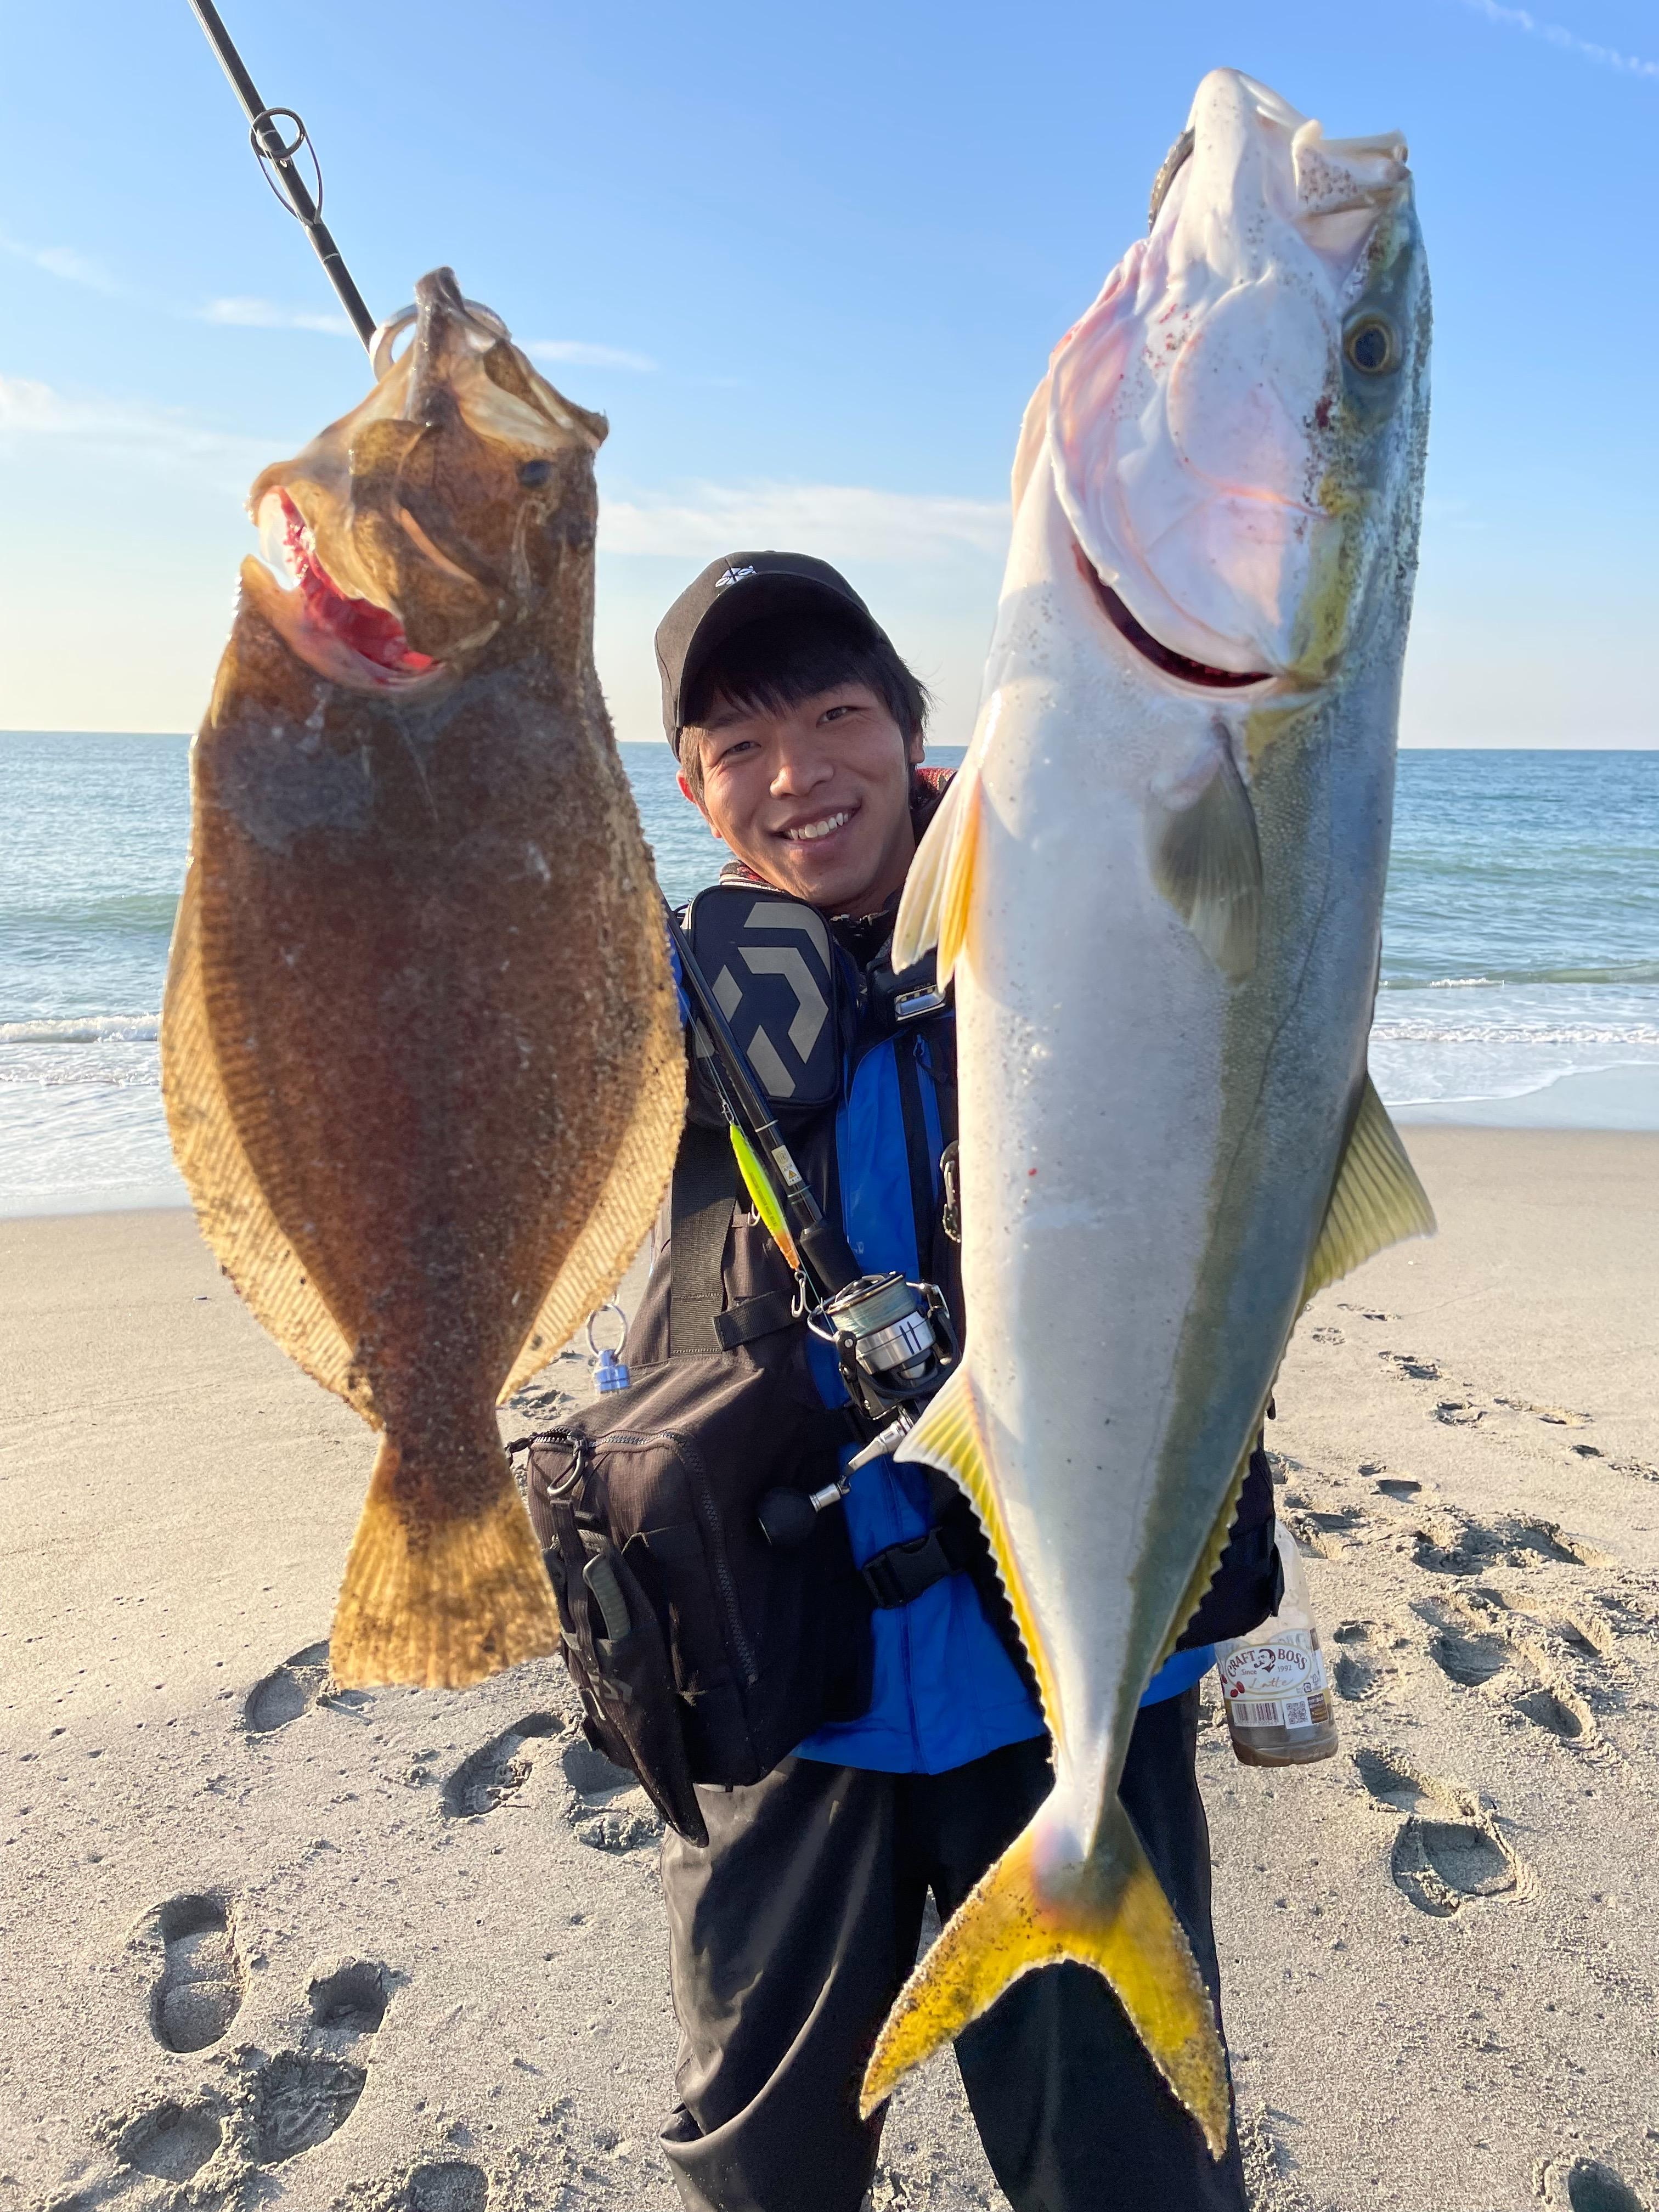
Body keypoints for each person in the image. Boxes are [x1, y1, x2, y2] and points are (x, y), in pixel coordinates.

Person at [541, 552, 1279, 2212]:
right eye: (737, 744)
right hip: (785, 1690)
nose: (796, 775)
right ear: (687, 787)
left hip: (1070, 1674)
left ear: (913, 722)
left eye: (835, 713)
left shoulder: (1083, 913)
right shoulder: (637, 994)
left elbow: (1262, 965)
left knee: (1134, 2182)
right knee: (763, 2179)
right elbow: (443, 1021)